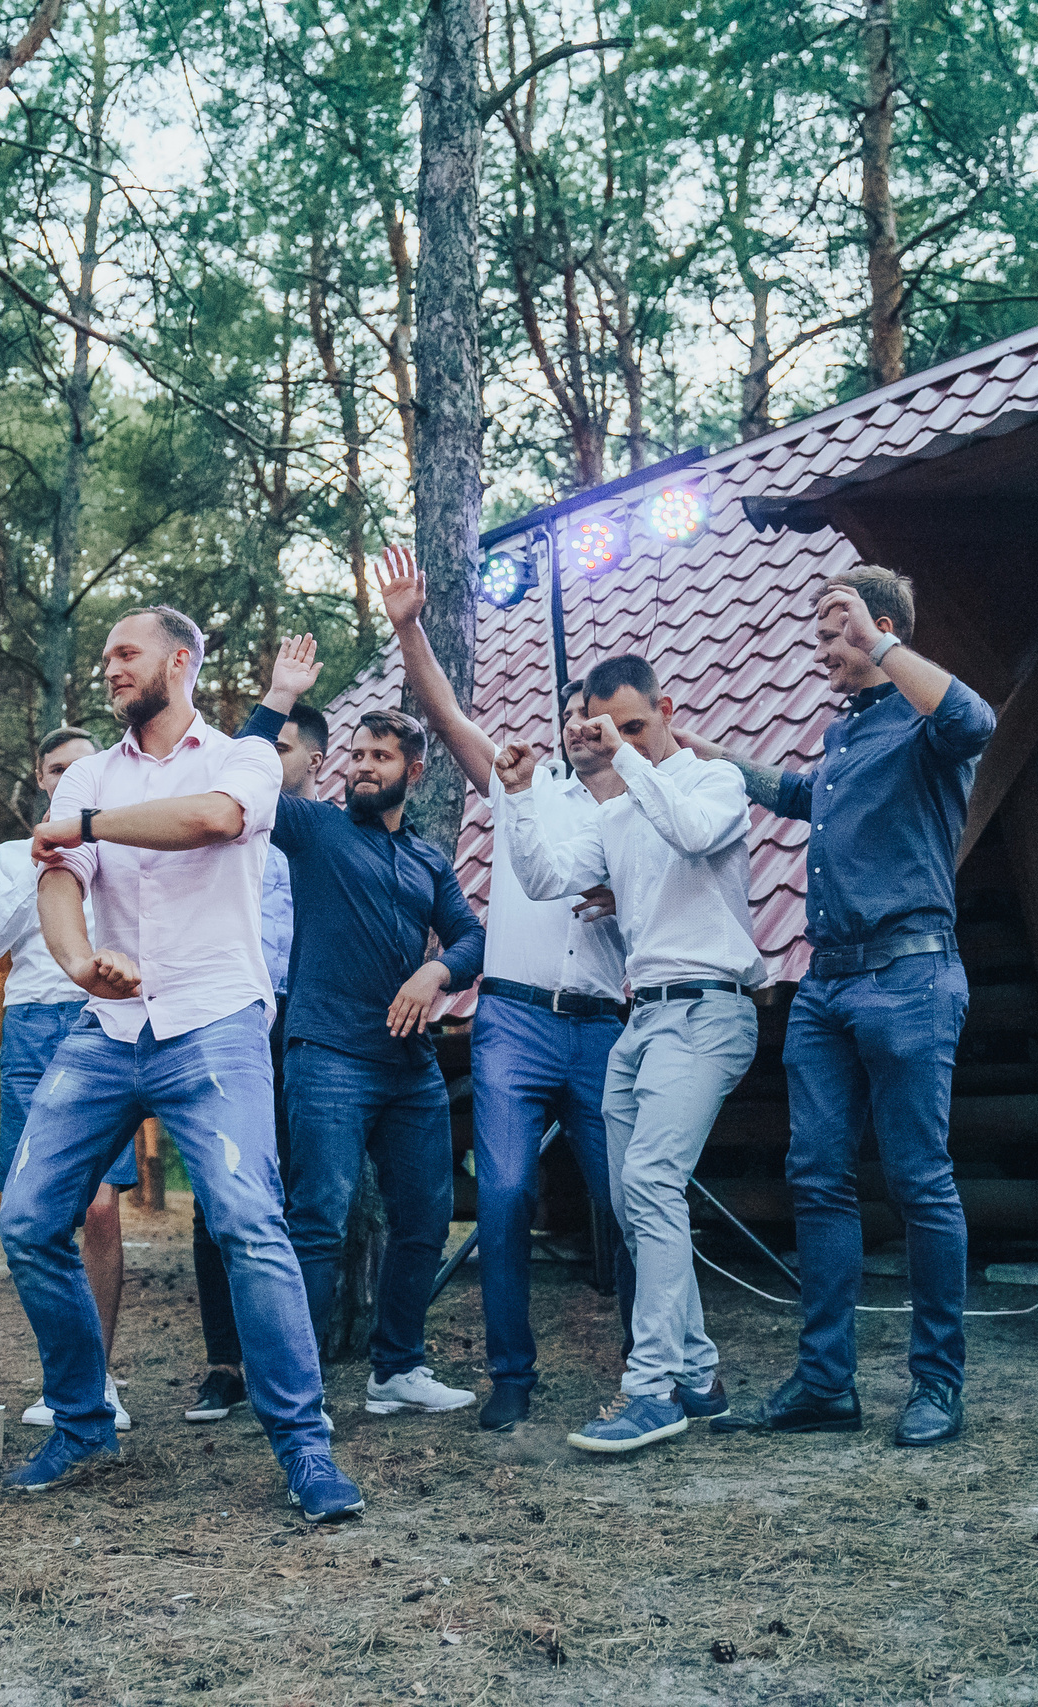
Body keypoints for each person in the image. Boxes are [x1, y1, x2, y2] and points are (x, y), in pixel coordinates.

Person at [0, 605, 363, 1522]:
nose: (110, 667)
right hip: (108, 1028)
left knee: (248, 1221)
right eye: (105, 655)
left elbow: (213, 819)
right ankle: (83, 1420)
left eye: (127, 652)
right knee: (27, 1219)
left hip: (214, 1019)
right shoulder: (89, 769)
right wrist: (81, 964)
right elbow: (59, 874)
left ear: (181, 661)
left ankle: (305, 1446)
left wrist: (87, 823)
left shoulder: (242, 758)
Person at [677, 566, 995, 1447]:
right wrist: (701, 751)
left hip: (909, 976)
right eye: (818, 634)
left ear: (880, 626)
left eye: (833, 631)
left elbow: (977, 720)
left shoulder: (926, 725)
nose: (819, 649)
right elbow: (795, 794)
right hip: (827, 986)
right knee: (816, 1177)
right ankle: (825, 1383)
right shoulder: (845, 735)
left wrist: (880, 641)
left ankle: (937, 1384)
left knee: (919, 1179)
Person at [382, 552, 636, 1432]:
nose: (576, 725)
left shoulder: (644, 812)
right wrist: (411, 626)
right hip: (516, 1021)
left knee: (629, 1195)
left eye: (593, 715)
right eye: (570, 713)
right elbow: (447, 712)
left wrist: (629, 898)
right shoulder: (524, 781)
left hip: (603, 1026)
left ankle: (653, 1364)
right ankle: (511, 1374)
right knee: (505, 1194)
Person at [494, 655, 763, 1455]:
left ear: (665, 709)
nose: (622, 744)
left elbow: (691, 831)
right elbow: (545, 878)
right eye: (608, 731)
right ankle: (699, 1372)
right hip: (639, 1020)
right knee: (632, 1201)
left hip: (708, 1010)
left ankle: (651, 1390)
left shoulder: (714, 782)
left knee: (649, 1183)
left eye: (635, 726)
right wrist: (519, 795)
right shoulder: (613, 813)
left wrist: (624, 759)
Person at [253, 637, 486, 1420]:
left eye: (380, 757)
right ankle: (297, 1389)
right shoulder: (313, 829)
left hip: (408, 1066)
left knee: (425, 1215)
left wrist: (436, 972)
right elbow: (242, 773)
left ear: (412, 772)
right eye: (356, 754)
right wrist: (280, 696)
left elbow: (472, 937)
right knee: (318, 1218)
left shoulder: (427, 861)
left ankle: (397, 1368)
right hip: (326, 1054)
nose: (362, 766)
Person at [0, 724, 137, 1433]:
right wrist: (43, 862)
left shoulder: (125, 846)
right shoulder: (12, 855)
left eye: (82, 765)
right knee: (38, 1212)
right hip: (32, 1027)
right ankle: (66, 1376)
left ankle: (100, 1377)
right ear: (41, 779)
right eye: (56, 767)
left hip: (104, 1021)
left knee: (101, 1208)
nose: (69, 775)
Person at [186, 700, 325, 1425]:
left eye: (284, 748)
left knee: (301, 1191)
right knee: (220, 1186)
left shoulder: (332, 833)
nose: (268, 758)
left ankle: (293, 1360)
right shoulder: (229, 826)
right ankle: (224, 1362)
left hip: (311, 1025)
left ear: (316, 761)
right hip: (233, 1017)